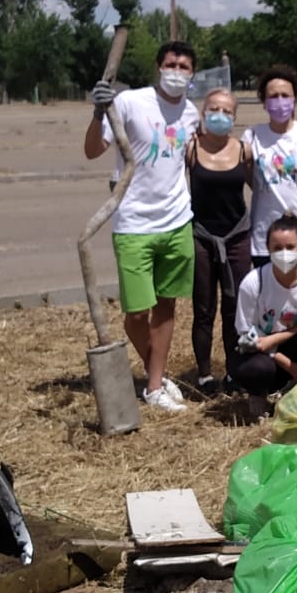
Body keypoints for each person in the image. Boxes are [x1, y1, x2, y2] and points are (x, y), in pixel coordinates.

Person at [85, 40, 201, 413]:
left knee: (166, 307)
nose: (177, 72)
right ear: (158, 66)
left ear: (192, 73)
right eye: (171, 64)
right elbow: (92, 150)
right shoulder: (130, 102)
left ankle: (153, 385)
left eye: (184, 67)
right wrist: (97, 112)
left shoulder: (192, 113)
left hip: (177, 220)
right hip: (133, 221)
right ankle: (157, 371)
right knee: (136, 313)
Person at [186, 87, 251, 397]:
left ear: (235, 118)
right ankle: (204, 375)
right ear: (203, 113)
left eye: (227, 112)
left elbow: (263, 188)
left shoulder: (243, 150)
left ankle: (233, 371)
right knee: (204, 309)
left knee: (234, 307)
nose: (220, 116)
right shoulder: (190, 149)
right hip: (201, 236)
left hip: (238, 235)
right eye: (214, 109)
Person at [228, 215, 297, 397]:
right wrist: (295, 370)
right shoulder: (253, 282)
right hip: (258, 353)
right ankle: (259, 395)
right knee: (256, 368)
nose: (284, 253)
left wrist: (272, 340)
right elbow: (249, 337)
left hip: (289, 348)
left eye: (290, 247)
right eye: (277, 248)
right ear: (267, 248)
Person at [242, 65, 297, 270]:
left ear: (295, 99)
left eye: (285, 95)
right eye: (273, 96)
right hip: (265, 240)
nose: (279, 101)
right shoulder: (252, 136)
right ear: (264, 102)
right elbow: (249, 177)